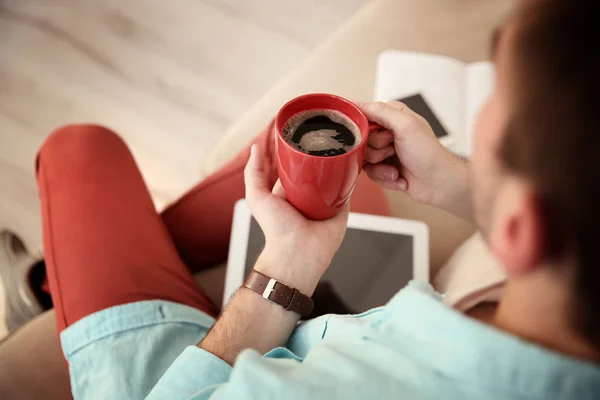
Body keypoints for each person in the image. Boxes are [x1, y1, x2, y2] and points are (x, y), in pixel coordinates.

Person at [5, 0, 600, 398]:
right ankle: (86, 276)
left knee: (78, 147)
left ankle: (44, 289)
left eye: (497, 104)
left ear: (523, 230)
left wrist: (285, 269)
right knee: (289, 150)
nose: (485, 113)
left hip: (184, 380)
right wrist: (460, 184)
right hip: (314, 325)